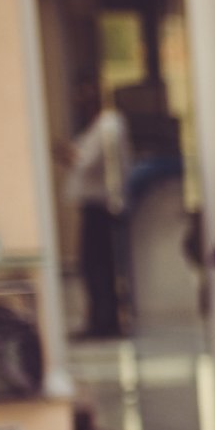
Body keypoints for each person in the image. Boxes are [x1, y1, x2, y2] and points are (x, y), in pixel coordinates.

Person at [57, 81, 132, 338]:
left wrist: (65, 154)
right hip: (98, 205)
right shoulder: (101, 126)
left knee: (98, 266)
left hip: (104, 206)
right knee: (97, 265)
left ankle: (105, 321)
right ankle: (103, 318)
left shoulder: (108, 125)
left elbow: (88, 161)